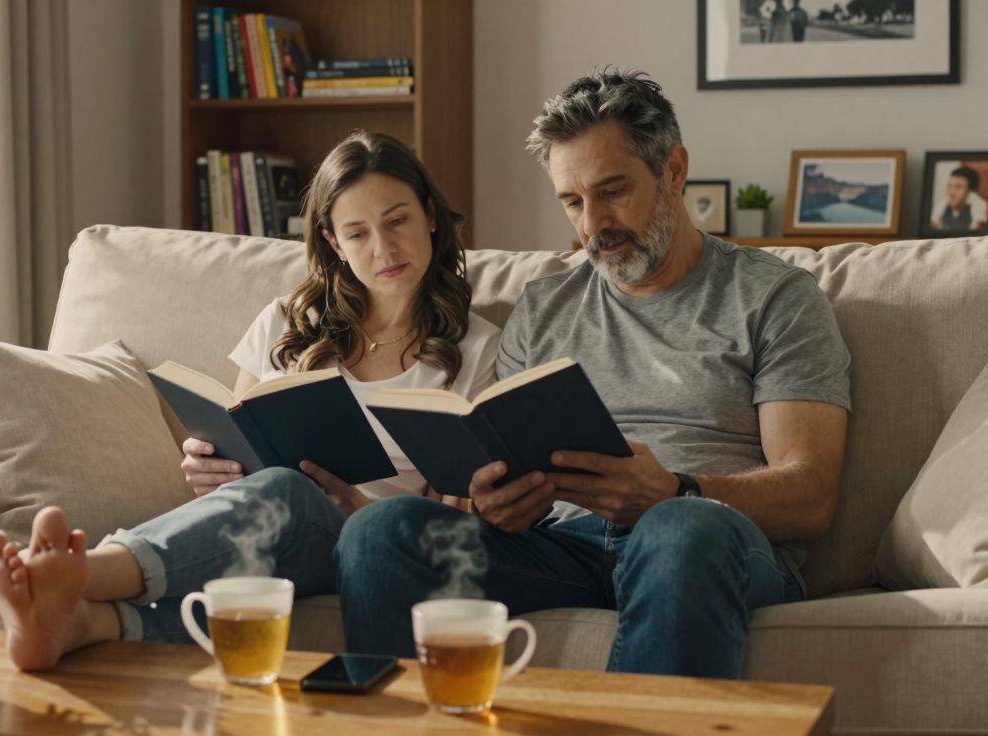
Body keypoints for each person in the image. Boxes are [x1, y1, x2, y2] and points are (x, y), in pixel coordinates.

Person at [335, 69, 851, 679]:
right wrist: (500, 502)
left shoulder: (774, 296)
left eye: (613, 191)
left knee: (682, 530)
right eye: (573, 202)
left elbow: (812, 493)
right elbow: (500, 463)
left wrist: (675, 490)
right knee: (381, 532)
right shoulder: (545, 303)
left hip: (704, 544)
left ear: (675, 170)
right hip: (560, 549)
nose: (593, 224)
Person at [0, 130, 501, 671]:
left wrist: (360, 509)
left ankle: (83, 571)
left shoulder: (476, 349)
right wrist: (209, 465)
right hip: (272, 524)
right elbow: (240, 428)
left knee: (287, 493)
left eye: (397, 221)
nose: (383, 249)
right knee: (273, 506)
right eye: (358, 233)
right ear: (333, 242)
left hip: (372, 541)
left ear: (430, 215)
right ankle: (83, 623)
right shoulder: (288, 322)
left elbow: (453, 515)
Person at [929, 165, 988, 232]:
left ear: (971, 192)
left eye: (958, 187)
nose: (951, 192)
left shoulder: (976, 210)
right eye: (949, 186)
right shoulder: (941, 210)